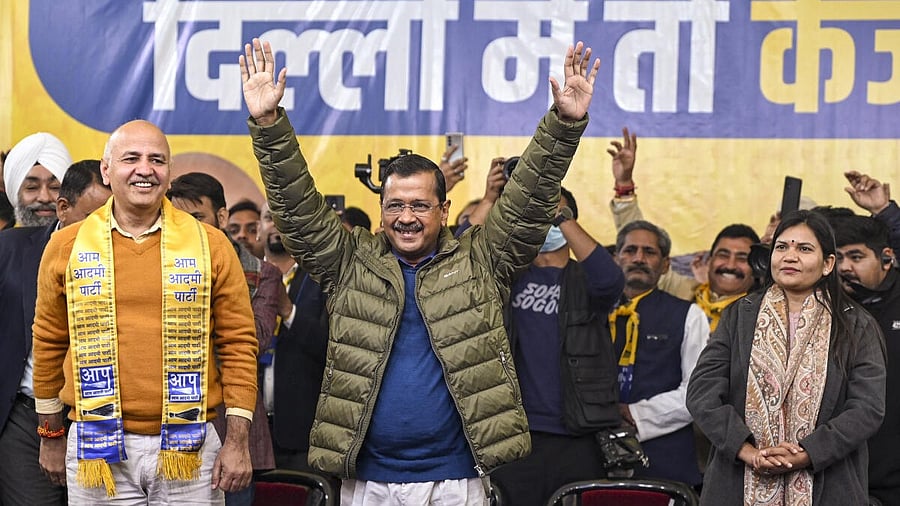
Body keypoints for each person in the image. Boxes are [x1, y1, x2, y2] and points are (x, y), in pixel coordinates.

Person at [240, 37, 600, 504]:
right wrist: (268, 124)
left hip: (455, 480)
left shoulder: (480, 262)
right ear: (381, 208)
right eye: (395, 205)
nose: (406, 217)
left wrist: (564, 125)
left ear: (444, 209)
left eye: (419, 205)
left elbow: (527, 202)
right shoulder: (349, 264)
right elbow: (299, 212)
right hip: (367, 480)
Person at [31, 120, 259, 503]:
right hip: (95, 444)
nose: (145, 169)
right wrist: (51, 437)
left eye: (157, 160)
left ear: (169, 174)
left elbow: (238, 344)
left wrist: (237, 442)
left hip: (191, 445)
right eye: (131, 158)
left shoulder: (211, 245)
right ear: (106, 170)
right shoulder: (66, 246)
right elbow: (49, 344)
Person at [686, 210, 887, 505]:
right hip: (736, 482)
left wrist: (809, 453)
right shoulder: (739, 315)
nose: (790, 256)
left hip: (828, 485)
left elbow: (867, 408)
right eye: (782, 247)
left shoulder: (856, 324)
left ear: (828, 263)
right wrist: (746, 451)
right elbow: (702, 393)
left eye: (804, 249)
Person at [492, 187, 624, 505]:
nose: (543, 218)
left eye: (550, 213)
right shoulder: (508, 277)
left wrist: (560, 214)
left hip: (577, 435)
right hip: (515, 434)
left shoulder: (585, 281)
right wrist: (489, 202)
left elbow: (611, 280)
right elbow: (462, 262)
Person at [0, 159, 110, 505]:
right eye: (95, 218)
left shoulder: (128, 253)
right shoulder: (11, 249)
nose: (106, 229)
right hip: (27, 416)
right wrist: (50, 433)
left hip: (103, 415)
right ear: (64, 208)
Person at [168, 172, 280, 505]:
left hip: (234, 427)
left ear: (221, 217)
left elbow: (256, 339)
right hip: (170, 425)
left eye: (197, 218)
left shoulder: (262, 272)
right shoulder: (157, 268)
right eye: (177, 219)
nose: (186, 228)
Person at [607, 128, 760, 318]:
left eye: (742, 258)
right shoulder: (688, 293)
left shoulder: (762, 313)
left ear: (756, 269)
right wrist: (624, 185)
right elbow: (640, 241)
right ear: (709, 261)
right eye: (723, 254)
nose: (730, 265)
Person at [610, 220, 709, 486]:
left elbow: (698, 392)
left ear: (665, 264)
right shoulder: (591, 311)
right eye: (630, 250)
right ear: (615, 257)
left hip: (665, 456)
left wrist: (636, 414)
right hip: (592, 453)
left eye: (649, 252)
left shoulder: (689, 315)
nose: (639, 258)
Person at [823, 211, 900, 505]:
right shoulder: (828, 307)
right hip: (842, 470)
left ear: (887, 257)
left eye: (856, 257)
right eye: (838, 258)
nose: (845, 267)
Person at [3, 132, 72, 227]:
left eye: (55, 187)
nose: (44, 198)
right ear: (15, 192)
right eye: (32, 187)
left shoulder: (87, 240)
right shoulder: (4, 241)